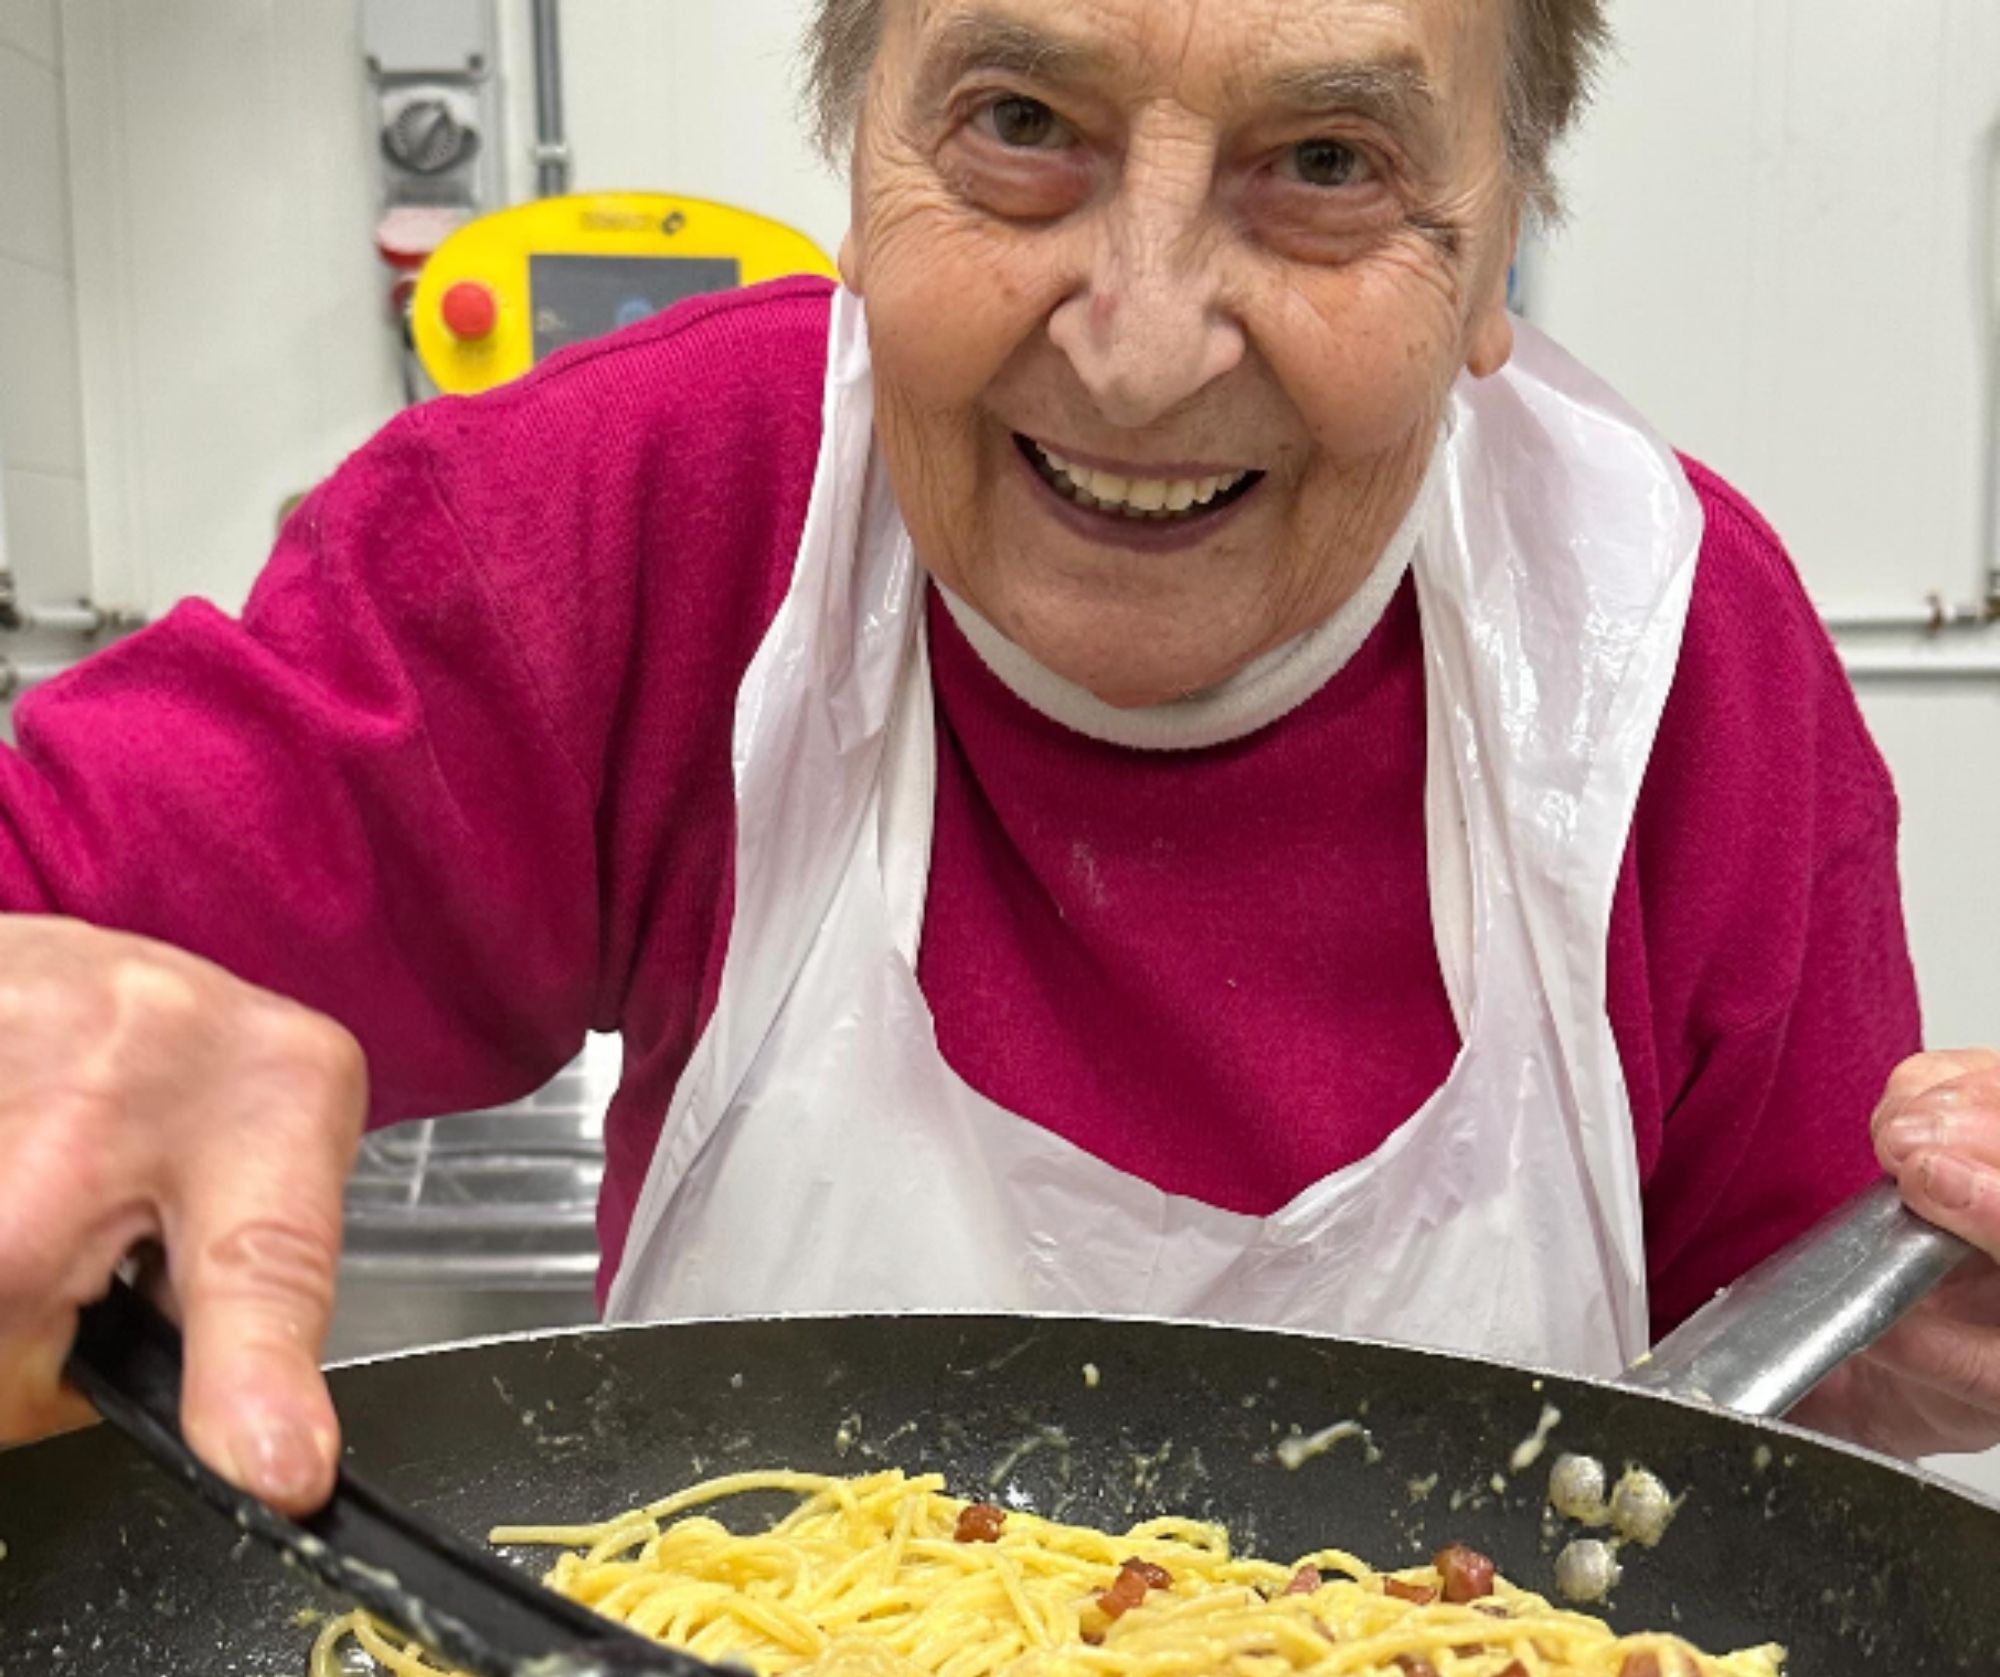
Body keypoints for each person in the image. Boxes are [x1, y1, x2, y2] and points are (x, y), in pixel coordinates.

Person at [3, 0, 1999, 1517]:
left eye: (1323, 163)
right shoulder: (631, 527)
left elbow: (1771, 1394)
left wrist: (1916, 1342)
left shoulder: (1665, 654)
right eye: (1020, 127)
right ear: (859, 166)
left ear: (1491, 265)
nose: (1138, 352)